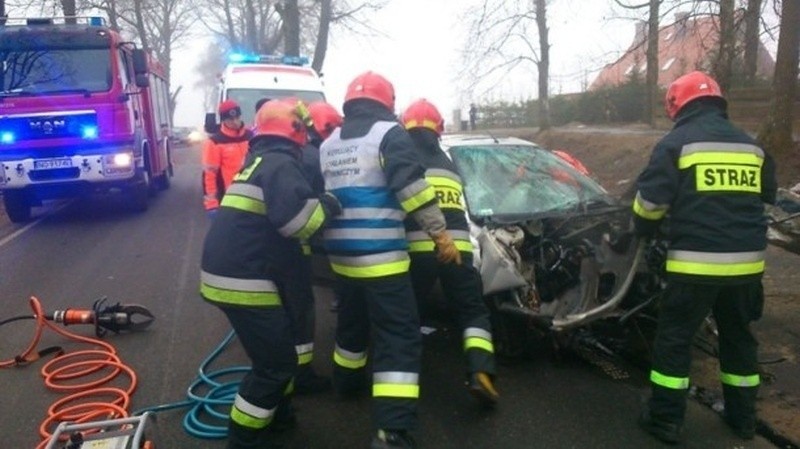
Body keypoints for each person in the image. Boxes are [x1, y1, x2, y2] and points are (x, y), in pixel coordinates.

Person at [633, 71, 777, 445]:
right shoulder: (752, 147)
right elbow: (766, 197)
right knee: (739, 339)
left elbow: (649, 206)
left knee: (675, 340)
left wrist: (642, 232)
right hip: (747, 268)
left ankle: (665, 420)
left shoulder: (675, 143)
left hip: (694, 267)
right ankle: (743, 419)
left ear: (677, 105)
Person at [319, 71, 461, 449]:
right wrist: (440, 233)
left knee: (351, 325)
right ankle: (392, 431)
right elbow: (412, 189)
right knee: (398, 338)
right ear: (388, 103)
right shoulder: (388, 134)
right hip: (382, 258)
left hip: (342, 258)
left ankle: (346, 385)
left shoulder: (329, 142)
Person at [200, 98, 342, 449]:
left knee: (276, 356)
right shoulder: (281, 164)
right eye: (304, 129)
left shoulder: (260, 160)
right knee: (275, 366)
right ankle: (244, 438)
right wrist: (328, 204)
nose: (308, 136)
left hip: (232, 272)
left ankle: (278, 415)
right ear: (295, 129)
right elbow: (298, 223)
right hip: (243, 279)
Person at [399, 98, 499, 407]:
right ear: (439, 130)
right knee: (471, 311)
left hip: (416, 252)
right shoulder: (449, 164)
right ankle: (480, 371)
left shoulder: (403, 159)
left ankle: (404, 383)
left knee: (406, 315)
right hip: (458, 251)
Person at [283, 99, 343, 395]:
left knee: (287, 308)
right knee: (301, 309)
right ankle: (300, 373)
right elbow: (324, 197)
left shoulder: (287, 153)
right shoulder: (312, 156)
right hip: (294, 246)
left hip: (275, 245)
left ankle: (287, 366)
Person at [202, 100, 252, 217]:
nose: (235, 122)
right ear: (223, 120)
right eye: (230, 120)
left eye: (237, 118)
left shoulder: (251, 137)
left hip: (252, 197)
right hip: (228, 199)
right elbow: (209, 175)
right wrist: (211, 204)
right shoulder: (215, 142)